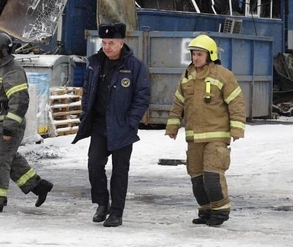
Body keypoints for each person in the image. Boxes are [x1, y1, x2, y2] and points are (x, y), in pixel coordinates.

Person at [73, 22, 150, 227]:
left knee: (119, 171)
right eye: (104, 42)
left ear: (121, 42)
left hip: (122, 127)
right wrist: (84, 114)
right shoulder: (96, 63)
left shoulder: (135, 67)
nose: (107, 47)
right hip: (100, 125)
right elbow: (88, 91)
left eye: (111, 43)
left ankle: (116, 212)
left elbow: (142, 97)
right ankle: (102, 203)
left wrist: (131, 122)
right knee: (94, 165)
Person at [166, 34, 245, 226]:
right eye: (193, 54)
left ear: (210, 55)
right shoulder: (187, 77)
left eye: (199, 54)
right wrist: (173, 125)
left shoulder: (223, 75)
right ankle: (206, 210)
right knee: (197, 178)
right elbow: (179, 103)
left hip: (216, 135)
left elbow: (236, 102)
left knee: (212, 176)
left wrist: (237, 128)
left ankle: (220, 211)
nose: (195, 58)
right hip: (194, 137)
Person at [0, 30, 53, 213]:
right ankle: (39, 186)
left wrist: (9, 128)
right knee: (9, 158)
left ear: (4, 50)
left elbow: (19, 102)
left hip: (9, 125)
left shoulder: (13, 71)